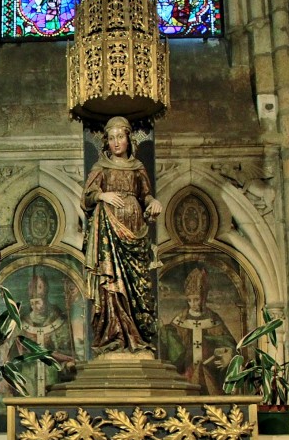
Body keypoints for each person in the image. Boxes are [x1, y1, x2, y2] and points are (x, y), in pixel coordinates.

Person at [82, 116, 162, 354]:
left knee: (137, 284)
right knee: (111, 284)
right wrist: (101, 196)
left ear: (128, 139)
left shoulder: (137, 168)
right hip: (108, 231)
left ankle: (137, 335)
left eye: (121, 137)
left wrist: (153, 202)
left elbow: (145, 195)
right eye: (112, 138)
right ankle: (114, 334)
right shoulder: (101, 168)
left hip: (135, 231)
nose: (117, 142)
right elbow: (86, 197)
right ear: (106, 141)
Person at [160, 267, 237, 394]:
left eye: (196, 299)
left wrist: (228, 355)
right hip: (186, 372)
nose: (193, 304)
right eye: (189, 300)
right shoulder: (180, 320)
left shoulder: (214, 319)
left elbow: (228, 343)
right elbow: (171, 348)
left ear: (204, 298)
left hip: (210, 372)